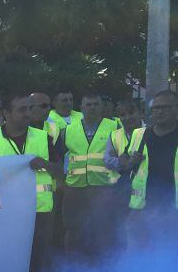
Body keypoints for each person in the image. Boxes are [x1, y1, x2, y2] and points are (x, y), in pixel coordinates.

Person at [0, 94, 63, 272]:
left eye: (29, 109)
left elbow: (60, 173)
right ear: (6, 113)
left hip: (39, 213)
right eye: (22, 110)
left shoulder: (42, 137)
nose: (28, 114)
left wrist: (45, 164)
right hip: (3, 214)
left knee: (37, 265)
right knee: (4, 262)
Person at [107, 90, 178, 247]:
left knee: (170, 256)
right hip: (142, 210)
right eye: (155, 108)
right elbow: (123, 160)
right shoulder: (139, 134)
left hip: (173, 211)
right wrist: (129, 161)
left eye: (164, 107)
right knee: (138, 255)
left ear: (176, 109)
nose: (159, 111)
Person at [61, 92, 119, 258]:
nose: (92, 107)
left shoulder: (114, 128)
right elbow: (60, 157)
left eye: (96, 104)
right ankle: (72, 264)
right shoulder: (69, 130)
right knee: (72, 228)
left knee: (104, 228)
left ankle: (104, 266)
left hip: (103, 188)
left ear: (102, 107)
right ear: (81, 108)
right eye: (88, 104)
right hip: (74, 188)